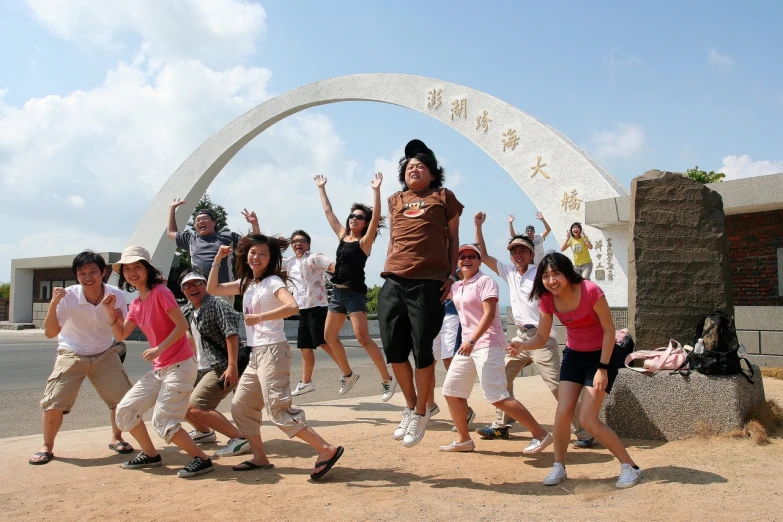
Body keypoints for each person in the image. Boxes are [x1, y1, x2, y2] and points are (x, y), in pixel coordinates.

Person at [207, 235, 343, 480]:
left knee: (278, 409)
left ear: (271, 260)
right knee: (241, 406)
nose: (256, 257)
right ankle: (260, 457)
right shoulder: (247, 283)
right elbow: (212, 289)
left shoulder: (272, 282)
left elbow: (292, 307)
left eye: (262, 254)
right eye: (253, 253)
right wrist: (218, 259)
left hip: (273, 350)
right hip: (256, 354)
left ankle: (326, 449)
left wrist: (260, 317)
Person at [508, 252, 641, 489]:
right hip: (573, 355)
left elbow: (609, 331)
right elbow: (540, 337)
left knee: (587, 419)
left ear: (567, 273)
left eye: (556, 273)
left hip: (601, 356)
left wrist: (602, 369)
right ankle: (559, 467)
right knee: (562, 413)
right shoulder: (548, 299)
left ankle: (629, 466)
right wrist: (523, 345)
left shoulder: (590, 290)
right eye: (546, 276)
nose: (551, 280)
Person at [474, 212, 594, 447]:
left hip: (542, 337)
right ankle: (502, 425)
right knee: (502, 377)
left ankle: (585, 432)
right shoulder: (508, 272)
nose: (517, 255)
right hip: (519, 337)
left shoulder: (541, 274)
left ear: (531, 254)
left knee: (557, 385)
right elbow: (484, 255)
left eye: (522, 251)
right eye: (514, 251)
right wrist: (478, 226)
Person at [378, 139, 463, 448]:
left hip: (428, 281)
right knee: (393, 349)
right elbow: (393, 239)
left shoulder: (444, 197)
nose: (414, 169)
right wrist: (389, 264)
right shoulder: (395, 199)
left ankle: (420, 410)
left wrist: (452, 276)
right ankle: (415, 406)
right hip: (394, 279)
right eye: (410, 166)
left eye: (421, 166)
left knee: (422, 349)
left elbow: (454, 239)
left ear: (432, 174)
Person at [104, 246, 214, 478]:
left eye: (137, 267)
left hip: (180, 365)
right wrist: (109, 311)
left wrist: (158, 348)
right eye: (127, 269)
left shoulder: (161, 292)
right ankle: (151, 455)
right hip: (160, 368)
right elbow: (121, 334)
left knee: (164, 420)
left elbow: (181, 326)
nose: (132, 272)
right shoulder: (135, 303)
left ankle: (202, 459)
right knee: (125, 410)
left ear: (147, 269)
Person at [440, 244, 552, 453]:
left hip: (487, 344)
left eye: (472, 256)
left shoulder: (486, 281)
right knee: (451, 391)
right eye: (462, 256)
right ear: (456, 262)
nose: (467, 259)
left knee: (496, 395)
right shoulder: (456, 287)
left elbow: (489, 314)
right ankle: (464, 439)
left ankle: (541, 434)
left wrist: (472, 340)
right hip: (468, 346)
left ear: (480, 261)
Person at [30, 251, 134, 465]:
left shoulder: (117, 295)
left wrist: (108, 310)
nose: (88, 277)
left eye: (93, 272)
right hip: (72, 351)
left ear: (103, 272)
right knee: (54, 402)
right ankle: (47, 447)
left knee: (122, 400)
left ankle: (117, 437)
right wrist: (53, 304)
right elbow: (50, 333)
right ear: (76, 276)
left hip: (105, 351)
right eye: (82, 273)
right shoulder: (67, 296)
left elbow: (119, 334)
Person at [314, 173, 396, 401]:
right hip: (337, 294)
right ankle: (348, 375)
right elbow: (329, 213)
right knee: (329, 337)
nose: (353, 218)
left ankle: (387, 380)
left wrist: (377, 191)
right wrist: (322, 188)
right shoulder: (342, 236)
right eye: (352, 215)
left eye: (359, 217)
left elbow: (377, 214)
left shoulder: (364, 242)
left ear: (365, 223)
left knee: (363, 338)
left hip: (354, 294)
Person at [178, 269, 252, 458]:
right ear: (182, 290)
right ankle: (204, 432)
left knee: (197, 406)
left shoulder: (217, 304)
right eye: (187, 285)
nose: (192, 288)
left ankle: (239, 438)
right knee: (179, 403)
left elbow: (231, 334)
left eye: (197, 283)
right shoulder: (187, 309)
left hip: (220, 365)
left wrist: (232, 366)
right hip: (199, 366)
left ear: (205, 285)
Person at [283, 230, 341, 397]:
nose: (297, 243)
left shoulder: (314, 258)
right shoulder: (289, 262)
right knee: (305, 347)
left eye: (301, 241)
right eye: (294, 241)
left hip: (317, 306)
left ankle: (347, 372)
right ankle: (306, 382)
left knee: (324, 343)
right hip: (302, 308)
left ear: (308, 244)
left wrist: (339, 274)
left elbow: (331, 266)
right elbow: (268, 259)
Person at [427, 269, 475, 432]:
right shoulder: (429, 260)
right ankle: (429, 406)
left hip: (452, 315)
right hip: (431, 316)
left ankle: (465, 412)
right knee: (426, 363)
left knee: (450, 362)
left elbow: (463, 276)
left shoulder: (457, 262)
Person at [167, 201, 261, 284]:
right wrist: (172, 209)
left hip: (223, 288)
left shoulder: (228, 237)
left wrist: (254, 224)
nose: (200, 222)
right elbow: (171, 233)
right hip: (200, 290)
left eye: (204, 218)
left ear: (214, 223)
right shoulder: (191, 240)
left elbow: (254, 243)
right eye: (197, 220)